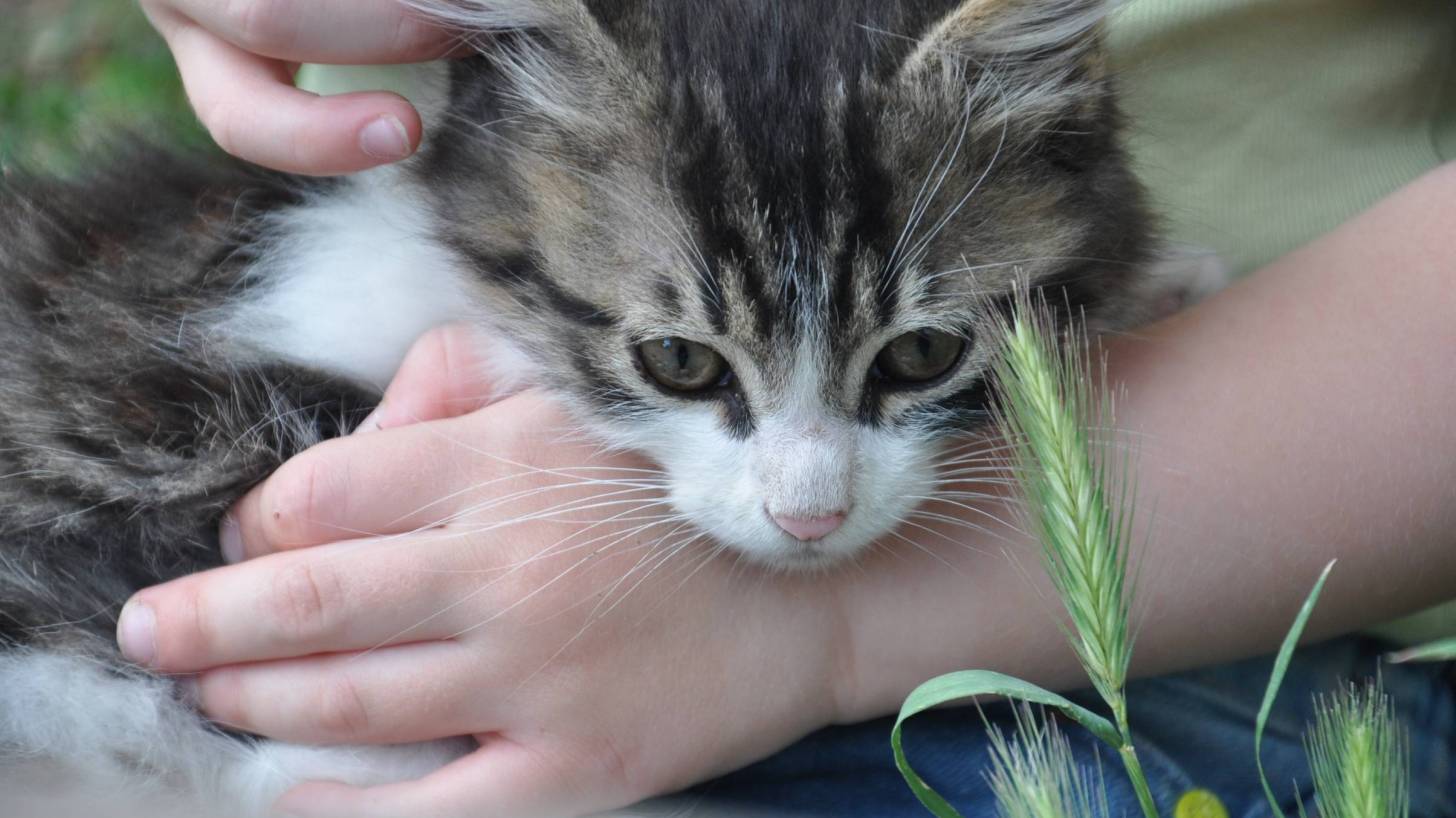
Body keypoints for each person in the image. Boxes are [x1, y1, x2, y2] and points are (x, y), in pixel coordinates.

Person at [124, 0, 1456, 815]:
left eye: (917, 356)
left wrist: (827, 631)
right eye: (692, 367)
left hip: (1230, 600)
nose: (807, 501)